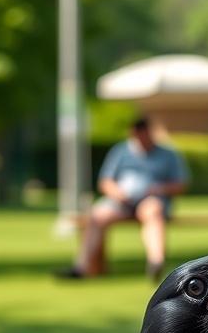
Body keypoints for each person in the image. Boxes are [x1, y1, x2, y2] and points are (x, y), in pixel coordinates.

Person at [57, 117, 188, 282]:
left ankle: (156, 262)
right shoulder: (121, 151)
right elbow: (105, 182)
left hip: (151, 200)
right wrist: (118, 193)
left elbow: (181, 185)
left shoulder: (168, 154)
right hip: (122, 202)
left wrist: (158, 189)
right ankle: (82, 267)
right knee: (97, 214)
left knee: (153, 211)